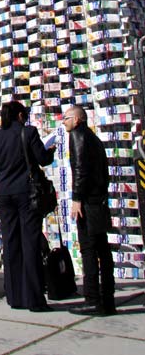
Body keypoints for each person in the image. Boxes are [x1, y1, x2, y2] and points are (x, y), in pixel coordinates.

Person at [0, 100, 56, 312]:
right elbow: (43, 160)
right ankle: (34, 299)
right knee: (30, 242)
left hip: (4, 193)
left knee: (11, 242)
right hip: (27, 193)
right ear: (19, 116)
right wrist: (50, 150)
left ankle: (14, 296)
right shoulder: (29, 132)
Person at [63, 105, 116, 316]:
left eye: (66, 118)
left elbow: (80, 170)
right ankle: (108, 299)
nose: (63, 121)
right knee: (103, 250)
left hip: (87, 202)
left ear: (77, 119)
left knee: (88, 251)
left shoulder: (77, 136)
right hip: (99, 201)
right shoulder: (94, 139)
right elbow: (105, 172)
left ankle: (92, 299)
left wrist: (77, 199)